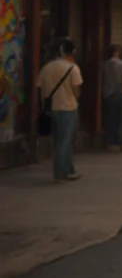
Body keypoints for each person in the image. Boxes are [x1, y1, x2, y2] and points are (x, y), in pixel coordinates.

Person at [38, 38, 83, 181]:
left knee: (59, 140)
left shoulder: (46, 68)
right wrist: (76, 99)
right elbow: (76, 90)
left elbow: (41, 90)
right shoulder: (73, 68)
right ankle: (60, 173)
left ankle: (69, 169)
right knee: (66, 141)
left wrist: (43, 107)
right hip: (68, 107)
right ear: (73, 52)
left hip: (52, 108)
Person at [101, 44, 122, 151]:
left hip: (109, 93)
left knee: (111, 118)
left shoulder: (105, 65)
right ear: (119, 52)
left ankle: (112, 142)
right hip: (121, 93)